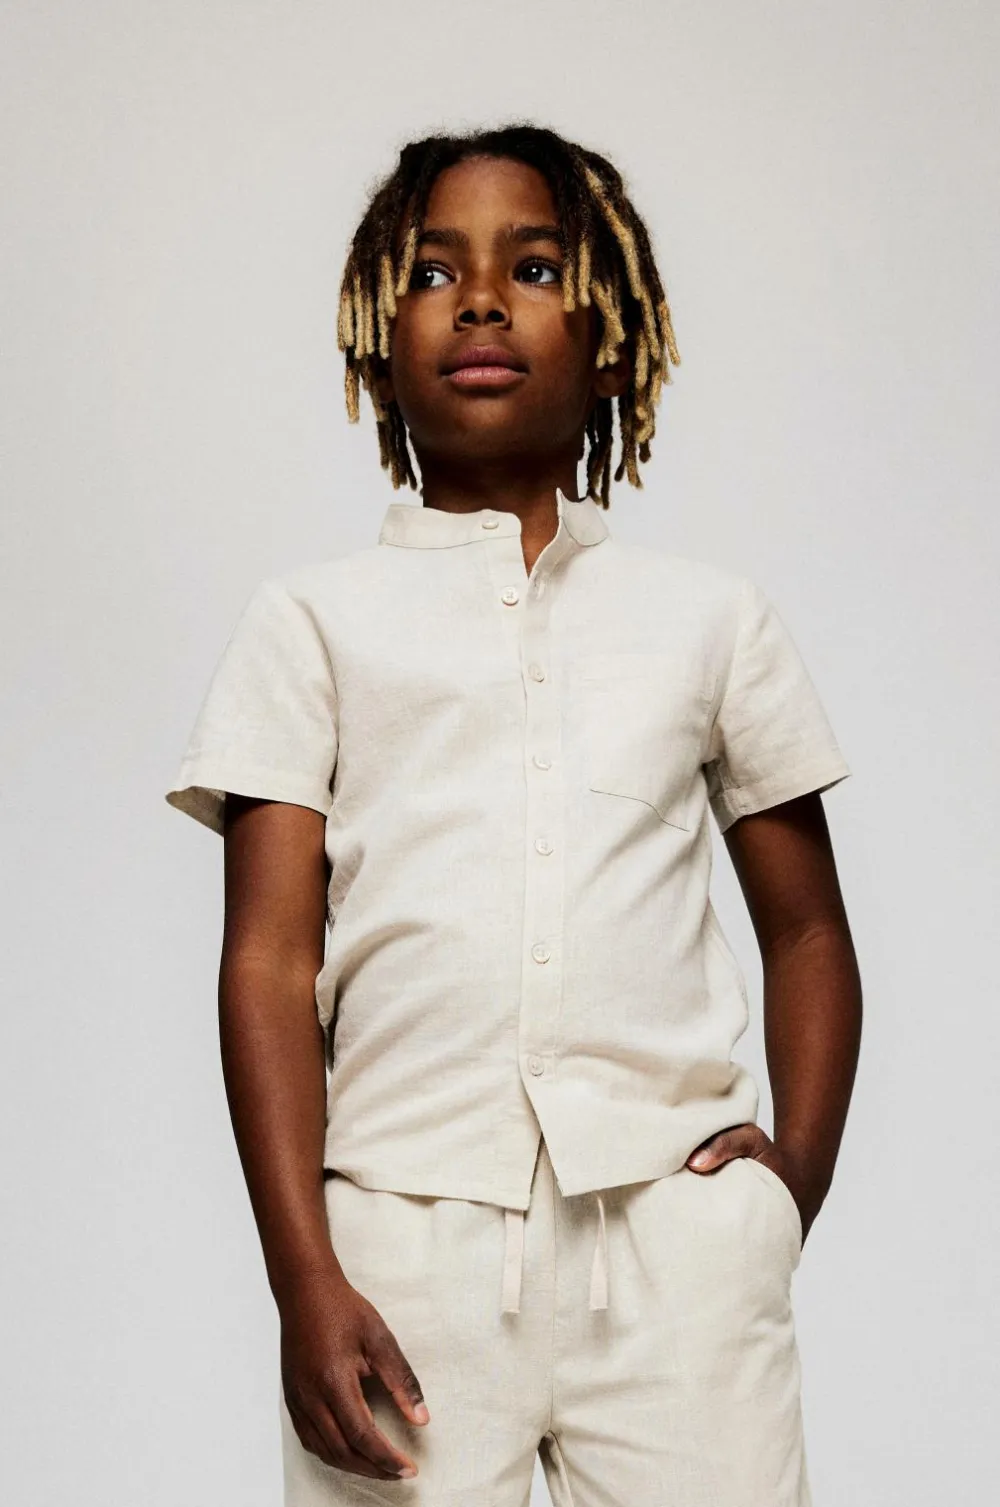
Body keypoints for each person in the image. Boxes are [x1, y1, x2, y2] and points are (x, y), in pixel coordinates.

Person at [165, 123, 862, 1506]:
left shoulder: (711, 622)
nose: (479, 301)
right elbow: (268, 961)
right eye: (432, 273)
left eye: (535, 267)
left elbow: (808, 934)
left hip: (672, 1248)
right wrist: (305, 1277)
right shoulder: (309, 625)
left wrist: (787, 1192)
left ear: (611, 342)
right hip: (397, 1262)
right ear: (377, 347)